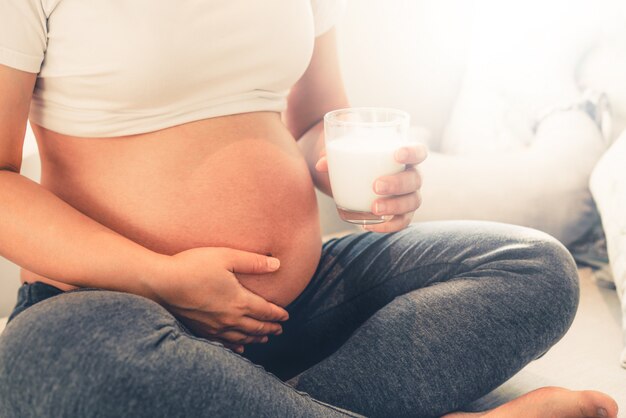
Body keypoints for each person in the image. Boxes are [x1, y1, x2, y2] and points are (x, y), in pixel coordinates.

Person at [0, 0, 618, 417]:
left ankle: (266, 400)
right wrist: (163, 277)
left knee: (533, 265)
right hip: (115, 308)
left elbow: (319, 119)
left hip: (297, 306)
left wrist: (355, 169)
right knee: (50, 363)